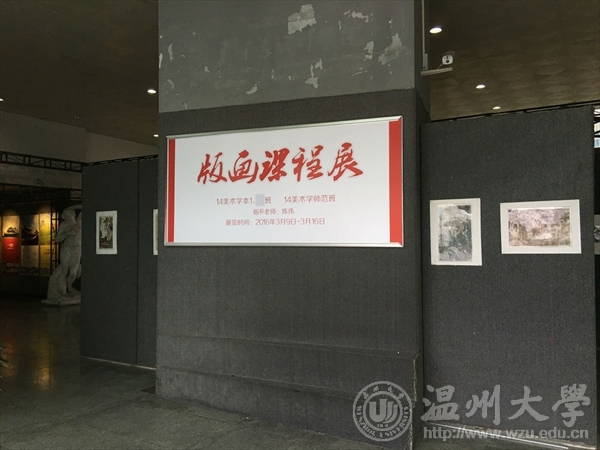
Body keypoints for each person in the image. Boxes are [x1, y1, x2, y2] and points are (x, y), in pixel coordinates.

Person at [46, 205, 82, 300]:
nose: (72, 215)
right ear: (66, 216)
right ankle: (63, 291)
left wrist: (82, 205)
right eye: (70, 214)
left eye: (73, 214)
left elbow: (82, 210)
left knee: (73, 273)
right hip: (67, 249)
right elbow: (57, 239)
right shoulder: (65, 225)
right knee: (64, 270)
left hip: (77, 249)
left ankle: (69, 287)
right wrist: (68, 233)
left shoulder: (78, 223)